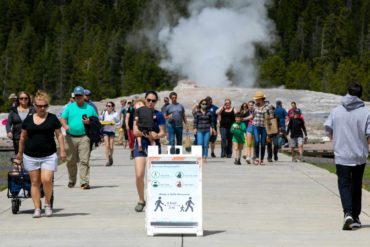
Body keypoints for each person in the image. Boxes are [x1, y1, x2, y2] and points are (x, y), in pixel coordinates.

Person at [324, 82, 370, 230]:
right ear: (360, 95)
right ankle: (356, 217)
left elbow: (328, 132)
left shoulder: (336, 111)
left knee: (344, 185)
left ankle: (347, 213)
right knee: (356, 185)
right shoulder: (366, 112)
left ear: (347, 93)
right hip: (359, 155)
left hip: (342, 154)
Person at [16, 90, 66, 218]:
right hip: (30, 155)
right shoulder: (28, 120)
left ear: (47, 105)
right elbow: (22, 138)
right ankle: (37, 208)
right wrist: (20, 154)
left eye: (44, 106)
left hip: (48, 155)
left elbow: (59, 135)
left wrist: (62, 150)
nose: (42, 108)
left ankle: (48, 204)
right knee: (35, 182)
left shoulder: (52, 118)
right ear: (34, 105)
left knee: (47, 180)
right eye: (39, 106)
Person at [133, 91, 166, 212]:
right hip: (141, 145)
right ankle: (141, 199)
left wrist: (156, 136)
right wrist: (147, 135)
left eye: (153, 100)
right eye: (149, 100)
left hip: (154, 145)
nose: (151, 102)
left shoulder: (159, 115)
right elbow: (135, 131)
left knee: (155, 175)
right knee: (139, 174)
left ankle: (155, 198)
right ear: (145, 99)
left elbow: (163, 133)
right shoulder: (138, 112)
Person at [60, 86, 98, 190]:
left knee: (84, 160)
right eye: (76, 95)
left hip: (84, 136)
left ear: (83, 96)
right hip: (70, 136)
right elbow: (63, 118)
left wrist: (89, 121)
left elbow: (96, 121)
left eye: (80, 95)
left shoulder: (90, 108)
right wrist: (65, 125)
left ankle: (84, 182)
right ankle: (72, 180)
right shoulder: (69, 107)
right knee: (71, 160)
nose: (78, 97)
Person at [252, 91, 273, 165]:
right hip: (256, 125)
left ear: (261, 99)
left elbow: (271, 116)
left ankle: (262, 159)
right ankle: (257, 158)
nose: (256, 100)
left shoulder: (269, 106)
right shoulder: (254, 106)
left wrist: (267, 117)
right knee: (257, 141)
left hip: (264, 126)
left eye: (257, 99)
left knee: (263, 143)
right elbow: (253, 115)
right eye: (256, 99)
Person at [100, 101, 120, 166]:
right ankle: (107, 160)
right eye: (107, 106)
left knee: (111, 147)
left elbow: (119, 122)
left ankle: (110, 156)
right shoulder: (104, 112)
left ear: (112, 107)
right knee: (107, 145)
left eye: (109, 106)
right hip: (105, 130)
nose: (108, 107)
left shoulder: (115, 114)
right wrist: (102, 122)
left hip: (112, 131)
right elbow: (100, 120)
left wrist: (114, 123)